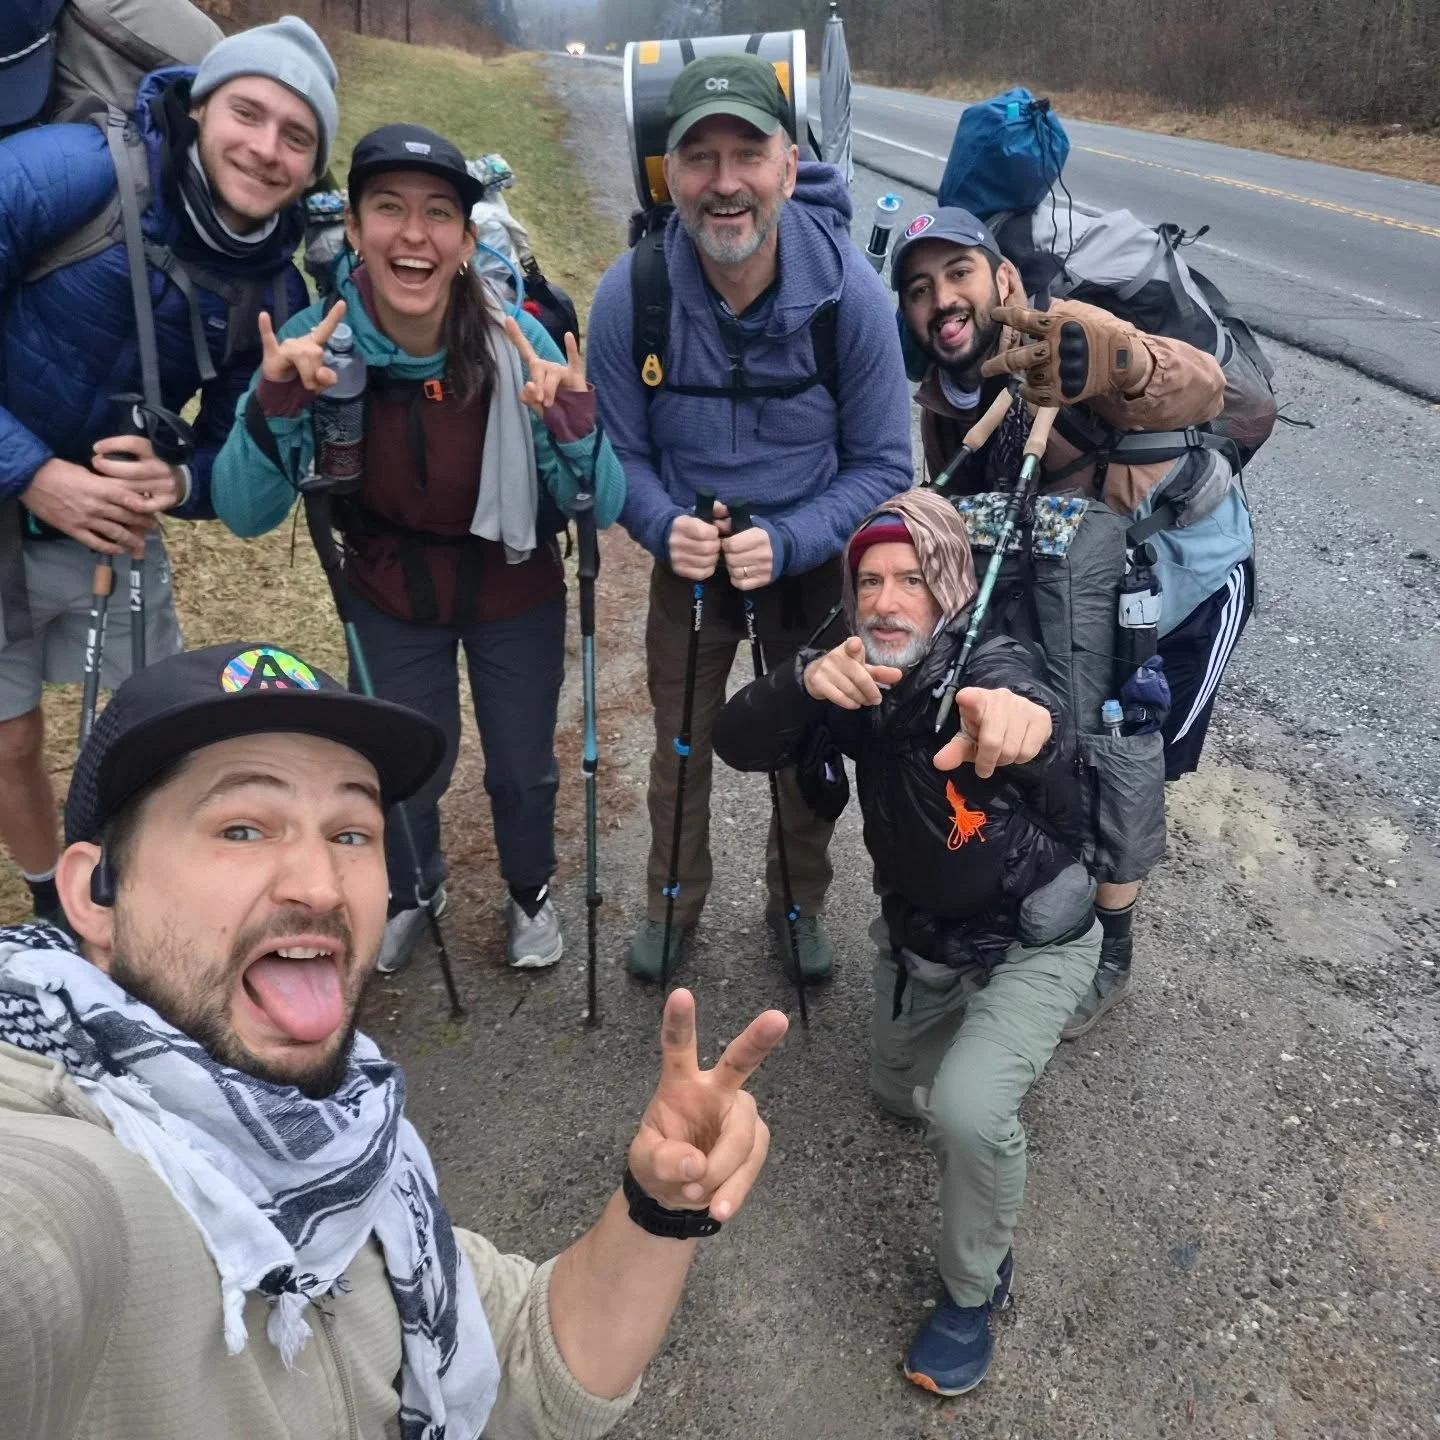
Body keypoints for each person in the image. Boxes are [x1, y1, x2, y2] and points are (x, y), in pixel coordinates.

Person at [0, 639, 786, 1439]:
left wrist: (660, 1206)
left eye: (351, 833)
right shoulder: (61, 1169)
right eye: (242, 828)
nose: (318, 885)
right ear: (92, 897)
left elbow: (528, 1364)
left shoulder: (351, 1143)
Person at [713, 489, 1099, 1397]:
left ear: (954, 588)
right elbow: (735, 741)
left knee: (963, 1113)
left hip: (1035, 937)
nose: (887, 601)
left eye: (913, 580)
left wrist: (1019, 724)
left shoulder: (990, 662)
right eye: (870, 581)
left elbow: (1034, 711)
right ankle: (964, 1048)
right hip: (922, 937)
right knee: (899, 1096)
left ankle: (973, 1292)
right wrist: (798, 682)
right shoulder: (853, 674)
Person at [213, 124, 625, 974]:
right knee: (404, 766)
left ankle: (529, 892)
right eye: (389, 210)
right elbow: (242, 512)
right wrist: (275, 398)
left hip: (516, 586)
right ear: (356, 229)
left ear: (467, 242)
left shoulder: (519, 339)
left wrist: (572, 424)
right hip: (389, 589)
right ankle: (412, 888)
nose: (414, 234)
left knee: (521, 769)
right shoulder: (313, 343)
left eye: (439, 214)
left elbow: (606, 504)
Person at [0, 14, 336, 930]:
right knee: (10, 736)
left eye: (296, 137)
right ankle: (55, 911)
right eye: (248, 113)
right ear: (199, 108)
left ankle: (147, 905)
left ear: (312, 166)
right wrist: (32, 474)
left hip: (109, 515)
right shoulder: (69, 172)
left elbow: (225, 440)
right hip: (19, 485)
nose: (266, 150)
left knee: (153, 724)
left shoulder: (274, 285)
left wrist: (178, 482)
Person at [588, 52, 913, 984]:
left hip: (808, 566)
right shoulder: (632, 295)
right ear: (669, 175)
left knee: (806, 741)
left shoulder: (850, 294)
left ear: (786, 163)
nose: (724, 183)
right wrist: (658, 525)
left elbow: (887, 464)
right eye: (699, 157)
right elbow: (618, 454)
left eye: (748, 153)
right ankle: (670, 903)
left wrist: (794, 538)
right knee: (680, 745)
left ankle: (799, 905)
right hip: (688, 563)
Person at [891, 207, 1249, 1039]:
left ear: (1003, 279)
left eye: (958, 275)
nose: (941, 299)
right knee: (1063, 751)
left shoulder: (1066, 339)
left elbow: (1200, 384)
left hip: (1185, 584)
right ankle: (1058, 923)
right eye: (920, 288)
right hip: (1078, 592)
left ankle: (1110, 955)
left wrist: (1114, 355)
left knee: (1125, 761)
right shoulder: (948, 397)